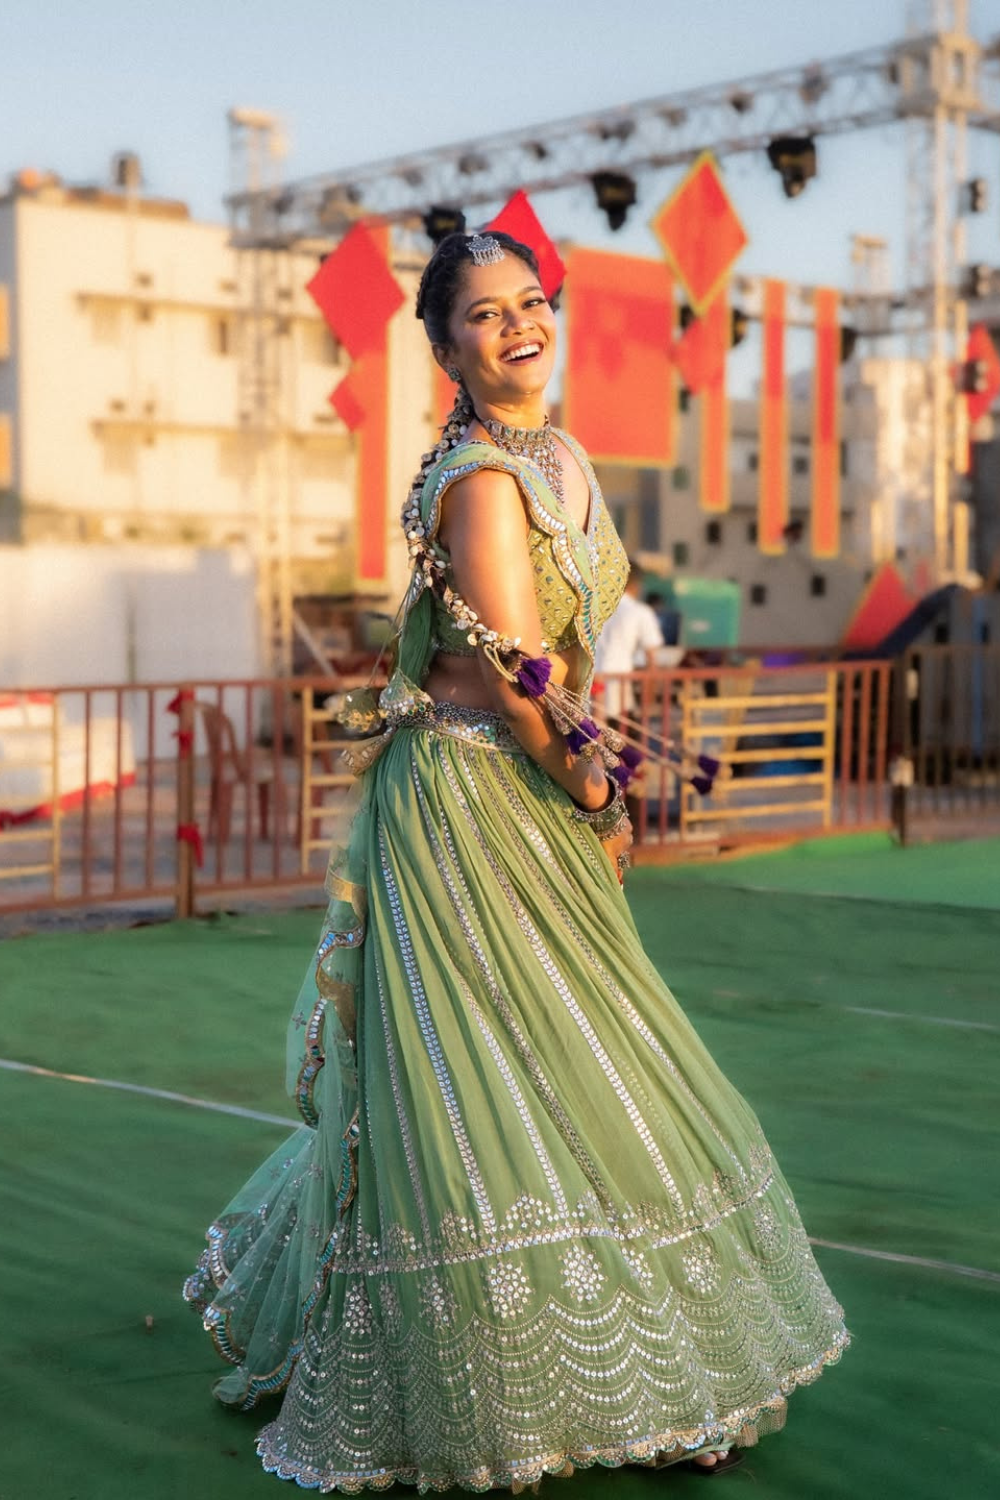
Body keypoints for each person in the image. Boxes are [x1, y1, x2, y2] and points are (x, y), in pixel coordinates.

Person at [184, 230, 848, 1491]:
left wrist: (590, 785)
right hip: (472, 801)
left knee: (573, 1055)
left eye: (531, 303)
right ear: (443, 348)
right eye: (484, 316)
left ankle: (642, 1355)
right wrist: (600, 790)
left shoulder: (562, 458)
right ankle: (510, 1377)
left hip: (525, 788)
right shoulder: (483, 481)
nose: (518, 327)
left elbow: (555, 666)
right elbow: (514, 673)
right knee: (498, 1069)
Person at [593, 559, 665, 724]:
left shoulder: (596, 608)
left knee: (595, 734)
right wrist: (648, 704)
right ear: (637, 585)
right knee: (619, 740)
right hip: (617, 689)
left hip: (591, 685)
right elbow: (652, 661)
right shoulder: (640, 612)